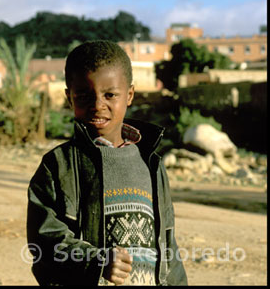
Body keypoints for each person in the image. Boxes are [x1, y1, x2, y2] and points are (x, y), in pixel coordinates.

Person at [26, 40, 187, 286]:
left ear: (129, 95)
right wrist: (96, 262)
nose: (98, 105)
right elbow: (44, 242)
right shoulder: (58, 166)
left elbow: (168, 247)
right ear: (69, 97)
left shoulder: (151, 165)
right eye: (84, 96)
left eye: (110, 95)